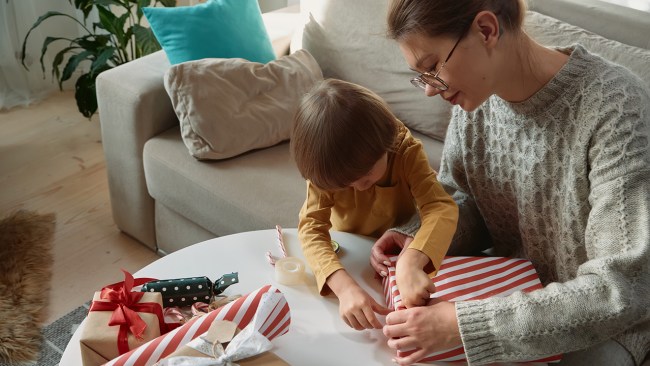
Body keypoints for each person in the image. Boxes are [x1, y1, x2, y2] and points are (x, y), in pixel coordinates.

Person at [369, 0, 650, 365]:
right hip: (508, 286)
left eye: (433, 67)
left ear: (486, 30)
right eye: (420, 75)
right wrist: (421, 238)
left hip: (606, 327)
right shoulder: (475, 104)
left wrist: (461, 324)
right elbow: (469, 202)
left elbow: (620, 290)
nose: (429, 89)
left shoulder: (616, 107)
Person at [291, 78, 459, 331]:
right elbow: (311, 228)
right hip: (348, 253)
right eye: (346, 185)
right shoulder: (326, 167)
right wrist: (344, 287)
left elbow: (440, 207)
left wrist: (411, 261)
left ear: (386, 144)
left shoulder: (405, 151)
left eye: (367, 175)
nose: (359, 187)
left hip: (396, 251)